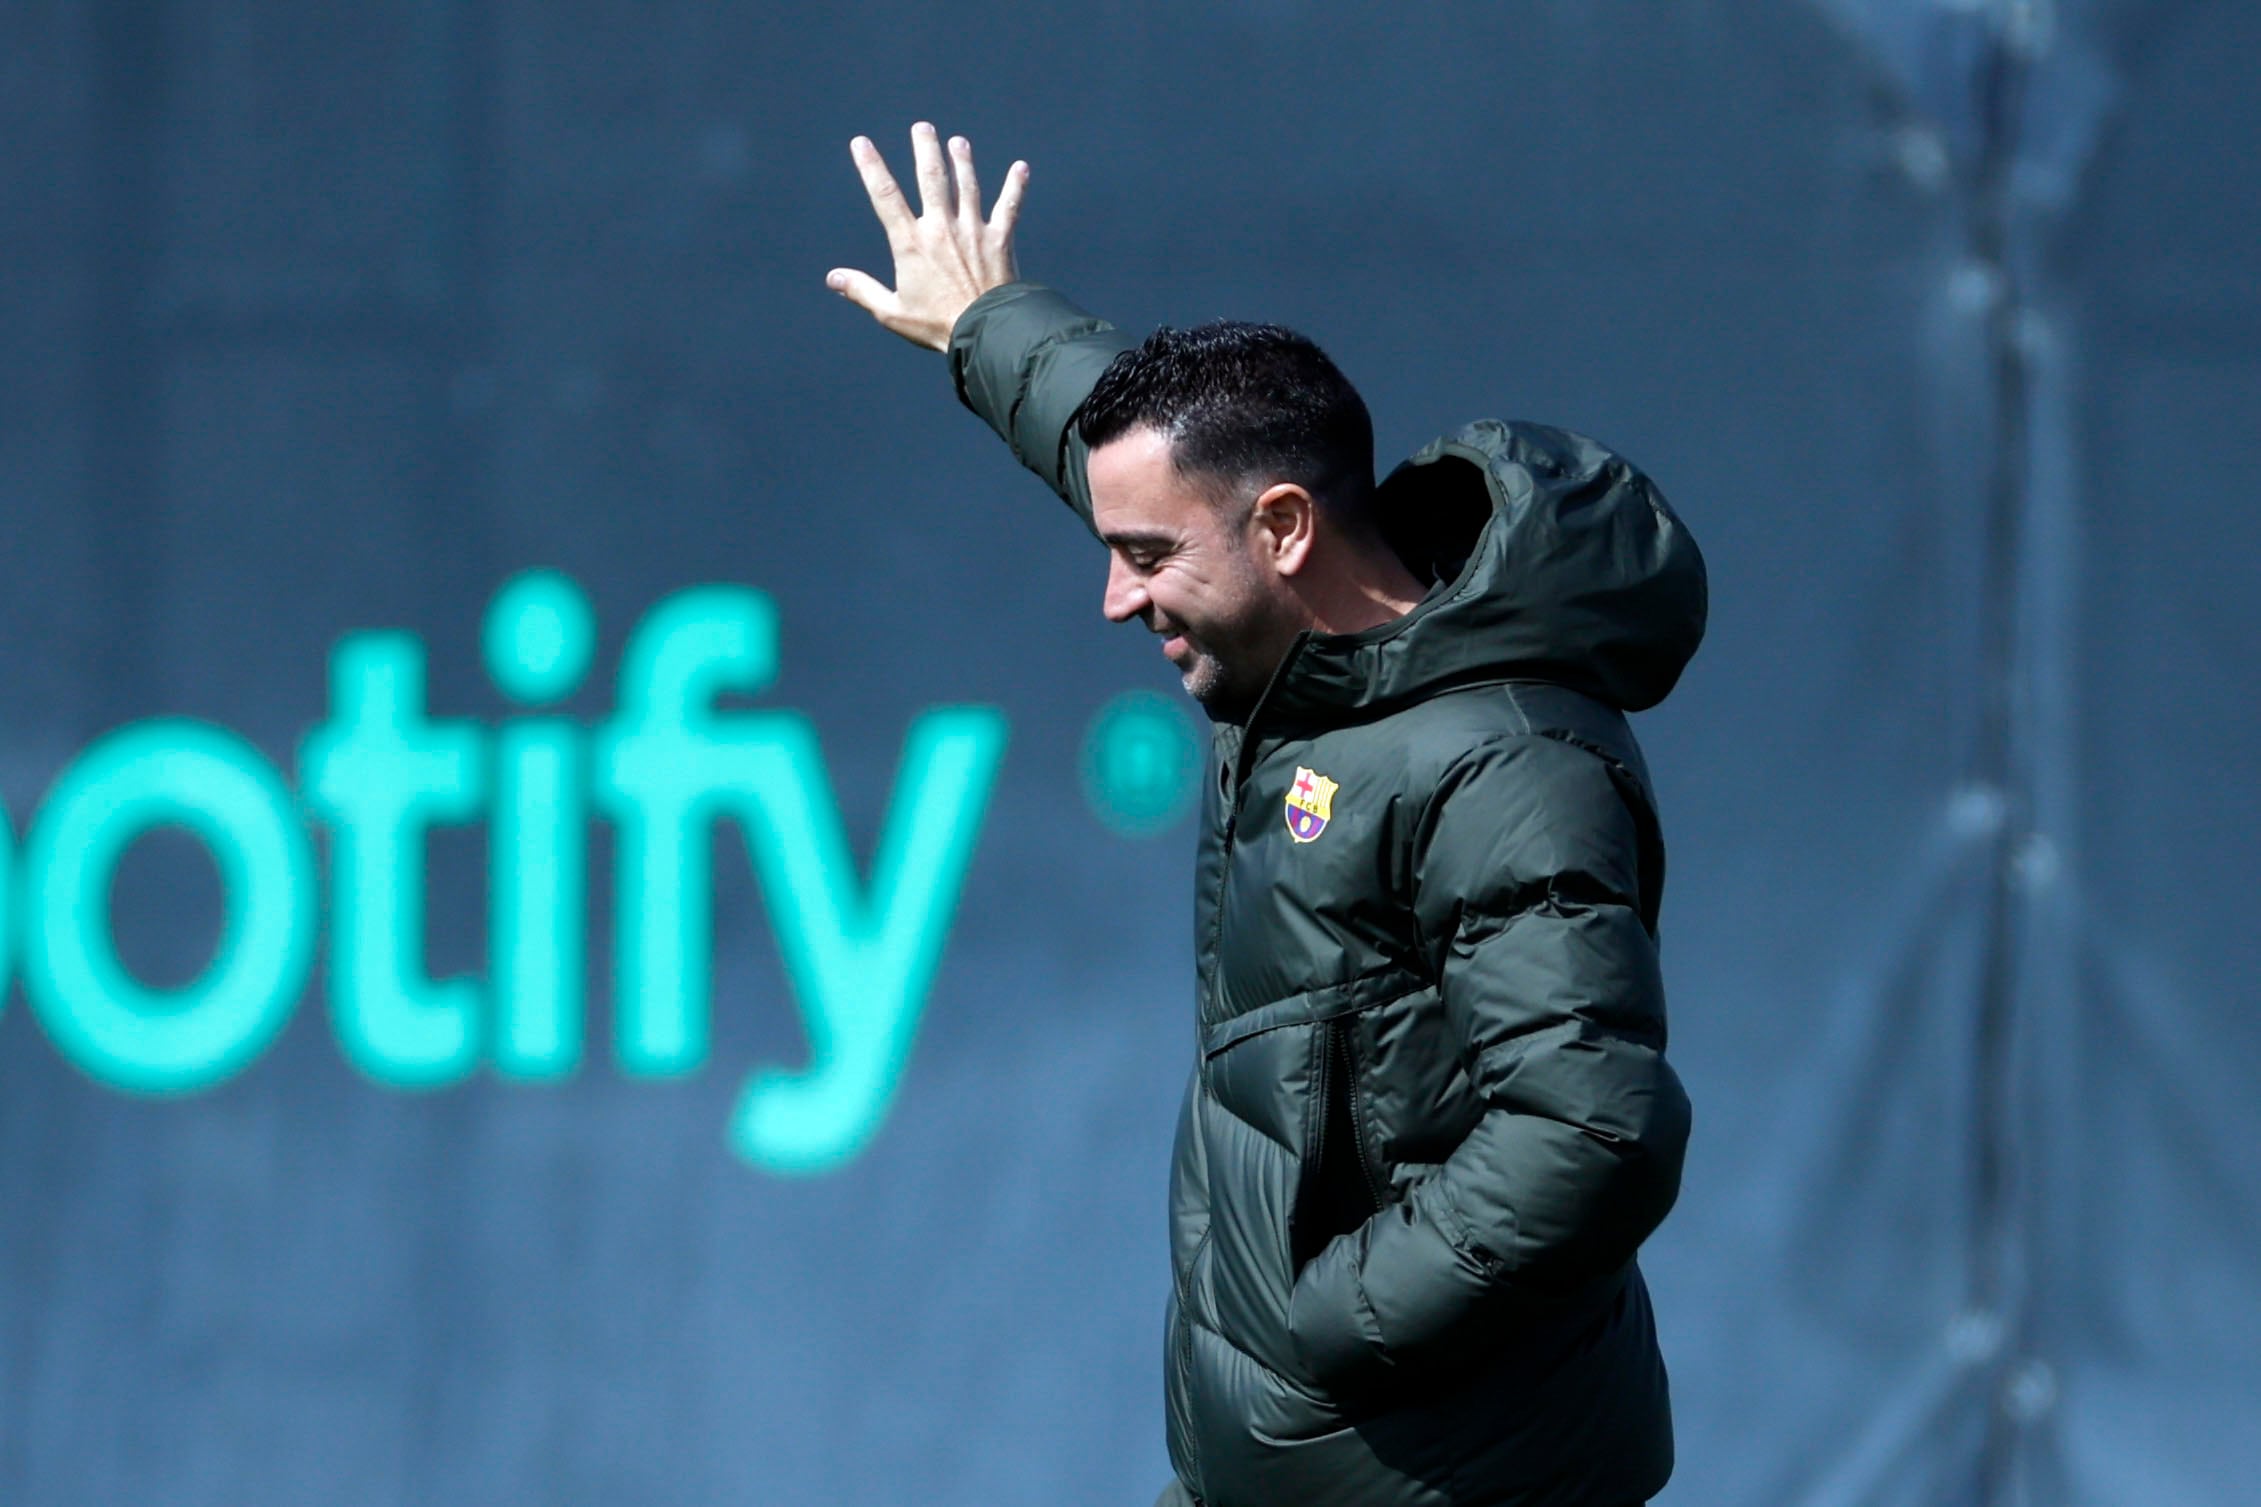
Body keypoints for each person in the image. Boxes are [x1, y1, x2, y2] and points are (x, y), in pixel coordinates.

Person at [827, 123, 1707, 1507]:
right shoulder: (1291, 645)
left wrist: (1322, 1329)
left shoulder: (1501, 763)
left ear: (1286, 531)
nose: (1117, 598)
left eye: (1143, 561)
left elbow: (1588, 1132)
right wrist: (982, 324)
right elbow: (1126, 447)